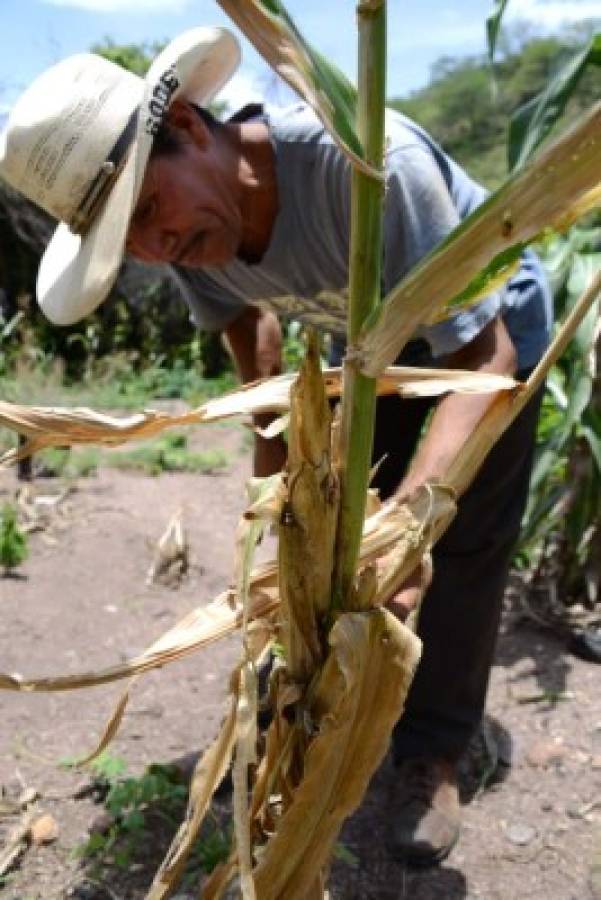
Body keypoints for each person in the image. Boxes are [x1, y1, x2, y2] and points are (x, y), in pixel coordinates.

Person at [0, 27, 552, 867]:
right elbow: (257, 358)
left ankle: (431, 756)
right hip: (364, 347)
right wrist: (275, 528)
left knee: (458, 543)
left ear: (186, 126)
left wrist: (405, 535)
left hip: (487, 335)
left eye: (146, 210)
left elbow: (482, 360)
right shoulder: (190, 238)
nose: (154, 249)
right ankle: (330, 718)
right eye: (126, 241)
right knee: (338, 535)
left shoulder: (365, 170)